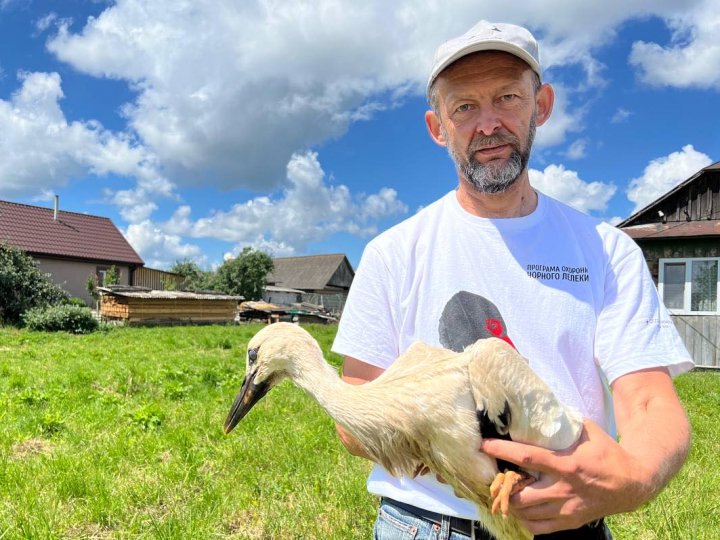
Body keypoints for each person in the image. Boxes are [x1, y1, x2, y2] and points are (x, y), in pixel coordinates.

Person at [331, 19, 693, 540]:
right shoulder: (393, 253)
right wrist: (460, 454)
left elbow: (650, 401)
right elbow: (355, 407)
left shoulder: (606, 250)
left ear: (540, 105)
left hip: (571, 525)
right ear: (437, 127)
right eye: (464, 107)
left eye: (507, 97)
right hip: (425, 525)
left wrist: (634, 479)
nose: (488, 124)